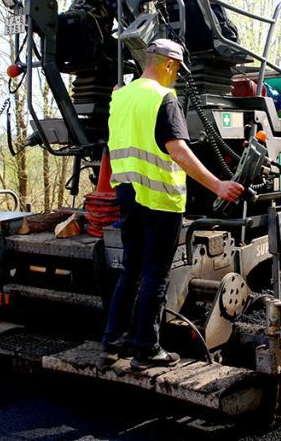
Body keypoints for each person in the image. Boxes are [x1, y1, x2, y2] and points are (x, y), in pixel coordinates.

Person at [99, 39, 244, 371]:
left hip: (128, 194)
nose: (176, 77)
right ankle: (146, 350)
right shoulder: (163, 97)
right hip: (160, 197)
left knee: (131, 270)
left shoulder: (120, 97)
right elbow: (177, 150)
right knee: (155, 274)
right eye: (177, 70)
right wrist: (217, 184)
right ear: (167, 64)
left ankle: (110, 346)